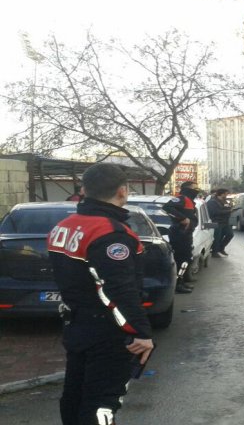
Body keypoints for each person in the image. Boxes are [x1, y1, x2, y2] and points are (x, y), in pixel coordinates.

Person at [48, 163, 154, 425]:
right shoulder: (110, 233)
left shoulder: (65, 226)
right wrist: (140, 332)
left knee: (75, 397)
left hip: (76, 325)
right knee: (102, 404)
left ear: (84, 190)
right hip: (107, 333)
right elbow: (118, 290)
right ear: (122, 191)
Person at [162, 181, 200, 294]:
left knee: (185, 259)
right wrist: (182, 218)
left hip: (186, 233)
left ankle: (181, 281)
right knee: (181, 259)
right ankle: (177, 284)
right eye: (194, 188)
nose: (196, 190)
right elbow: (167, 207)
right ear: (187, 189)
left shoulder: (189, 201)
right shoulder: (181, 198)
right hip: (179, 233)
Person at [207, 189, 234, 258]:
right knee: (217, 237)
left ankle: (221, 248)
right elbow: (214, 212)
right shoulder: (212, 202)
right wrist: (228, 211)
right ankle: (214, 251)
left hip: (225, 222)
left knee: (230, 234)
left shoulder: (224, 201)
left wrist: (230, 206)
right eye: (226, 194)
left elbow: (228, 208)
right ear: (222, 194)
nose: (227, 195)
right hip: (216, 222)